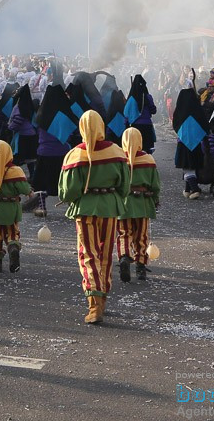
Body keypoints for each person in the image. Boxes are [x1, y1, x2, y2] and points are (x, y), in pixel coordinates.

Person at [58, 110, 131, 324]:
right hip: (109, 208)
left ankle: (94, 302)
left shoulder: (75, 155)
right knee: (106, 254)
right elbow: (124, 186)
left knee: (88, 254)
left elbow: (67, 191)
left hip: (85, 209)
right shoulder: (116, 152)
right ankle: (103, 298)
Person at [117, 127, 160, 283]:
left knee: (124, 233)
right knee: (141, 235)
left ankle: (124, 257)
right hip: (142, 202)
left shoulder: (119, 159)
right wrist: (155, 199)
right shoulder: (148, 160)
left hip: (124, 203)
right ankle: (141, 266)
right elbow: (155, 185)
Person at [0, 139, 32, 273]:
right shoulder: (15, 171)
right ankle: (13, 247)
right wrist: (30, 192)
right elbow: (24, 188)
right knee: (12, 232)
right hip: (12, 208)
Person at [31, 84, 77, 217]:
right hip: (62, 153)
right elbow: (70, 134)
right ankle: (71, 206)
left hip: (44, 152)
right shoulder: (65, 115)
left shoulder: (41, 113)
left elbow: (35, 128)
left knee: (41, 181)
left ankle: (42, 207)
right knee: (65, 181)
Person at [125, 74, 157, 152]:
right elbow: (153, 111)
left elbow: (126, 113)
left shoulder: (131, 99)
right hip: (147, 126)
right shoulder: (148, 97)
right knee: (147, 149)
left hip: (135, 126)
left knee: (136, 149)